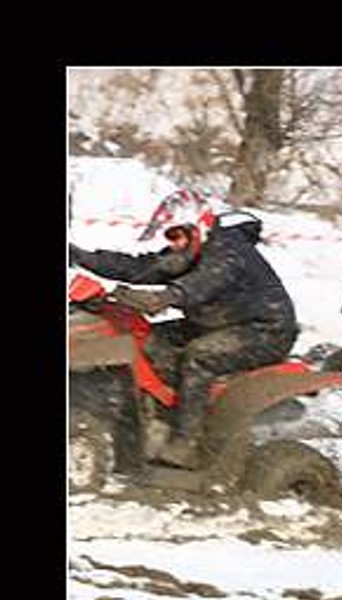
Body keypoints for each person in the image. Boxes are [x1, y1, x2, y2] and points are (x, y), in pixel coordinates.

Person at [69, 189, 298, 469]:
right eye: (170, 237)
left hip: (265, 329)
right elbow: (140, 267)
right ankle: (160, 415)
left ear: (198, 228)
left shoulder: (228, 251)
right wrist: (82, 257)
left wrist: (164, 297)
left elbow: (204, 283)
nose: (174, 244)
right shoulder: (188, 252)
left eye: (177, 235)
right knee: (144, 340)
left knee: (198, 358)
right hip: (212, 323)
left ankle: (185, 443)